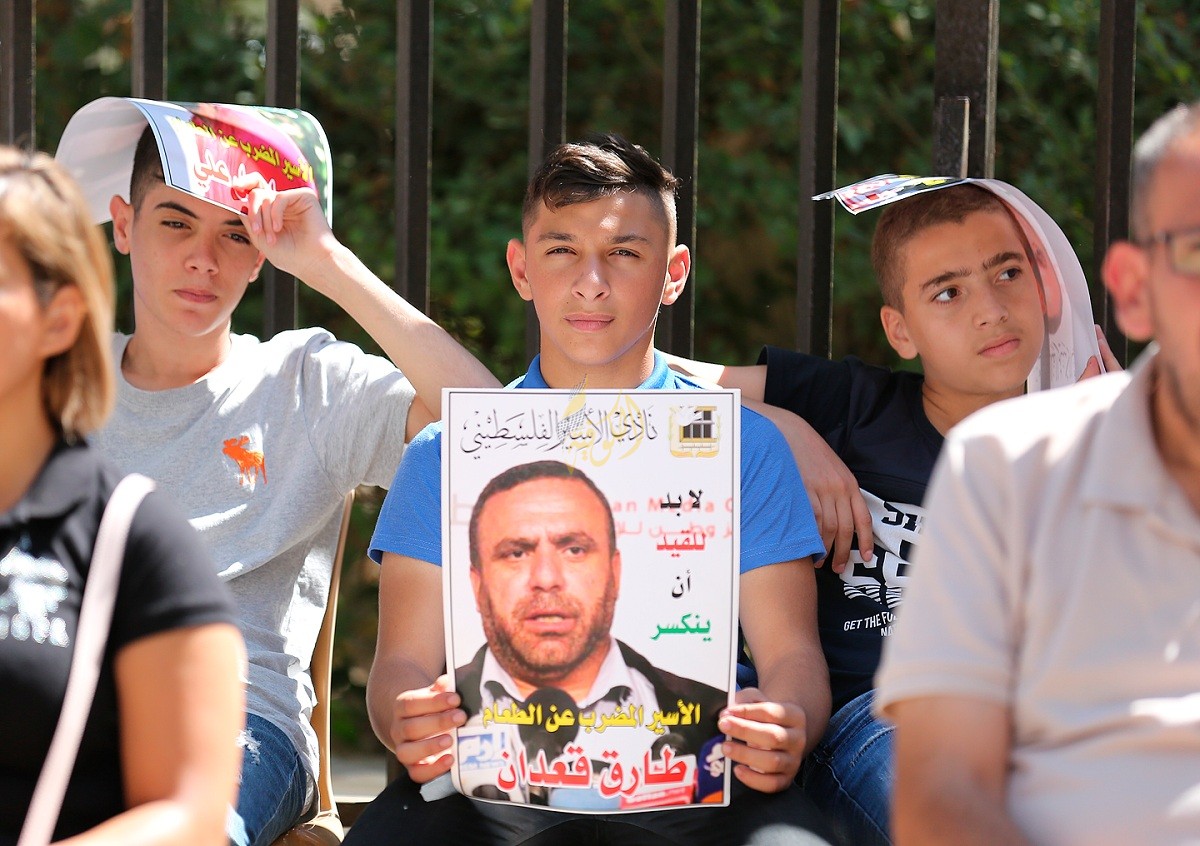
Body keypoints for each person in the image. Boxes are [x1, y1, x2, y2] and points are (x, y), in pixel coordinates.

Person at [349, 133, 836, 844]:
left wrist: (787, 721)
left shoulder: (744, 447)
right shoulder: (446, 454)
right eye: (561, 251)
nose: (591, 282)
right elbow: (401, 662)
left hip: (703, 775)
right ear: (521, 269)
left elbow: (792, 654)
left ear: (673, 274)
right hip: (485, 784)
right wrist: (406, 715)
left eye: (625, 253)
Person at [57, 104, 500, 846]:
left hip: (236, 720)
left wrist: (325, 260)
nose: (204, 258)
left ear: (261, 252)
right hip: (57, 703)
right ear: (124, 226)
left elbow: (497, 434)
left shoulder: (305, 381)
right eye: (175, 223)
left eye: (234, 233)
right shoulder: (57, 377)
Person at [667, 181, 1119, 845]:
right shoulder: (850, 406)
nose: (991, 310)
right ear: (900, 330)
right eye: (949, 292)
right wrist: (785, 426)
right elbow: (652, 380)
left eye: (1007, 273)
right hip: (879, 723)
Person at [873, 100, 1200, 845]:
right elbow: (941, 793)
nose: (988, 311)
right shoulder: (1006, 468)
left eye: (1007, 274)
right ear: (1134, 289)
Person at [0, 146, 244, 845]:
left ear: (59, 318)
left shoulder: (134, 539)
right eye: (176, 223)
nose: (203, 258)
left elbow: (192, 816)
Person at [455, 459, 727, 806]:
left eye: (574, 550)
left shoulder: (712, 716)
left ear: (615, 573)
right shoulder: (444, 710)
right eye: (517, 553)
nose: (546, 578)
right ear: (477, 585)